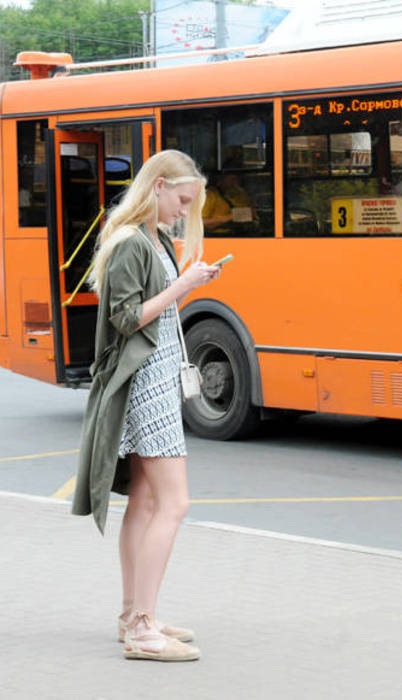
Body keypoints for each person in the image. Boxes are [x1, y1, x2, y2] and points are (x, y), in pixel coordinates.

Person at [72, 149, 221, 662]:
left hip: (152, 380)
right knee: (173, 503)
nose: (184, 212)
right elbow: (125, 318)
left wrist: (186, 282)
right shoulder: (131, 242)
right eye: (181, 201)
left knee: (145, 502)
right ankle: (140, 629)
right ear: (156, 186)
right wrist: (183, 286)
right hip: (146, 386)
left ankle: (136, 615)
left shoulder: (151, 238)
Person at [202, 170, 254, 235]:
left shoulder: (241, 194)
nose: (235, 181)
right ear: (221, 178)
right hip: (217, 236)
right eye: (232, 178)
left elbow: (251, 214)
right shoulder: (211, 195)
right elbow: (203, 223)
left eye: (237, 177)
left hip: (241, 234)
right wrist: (230, 217)